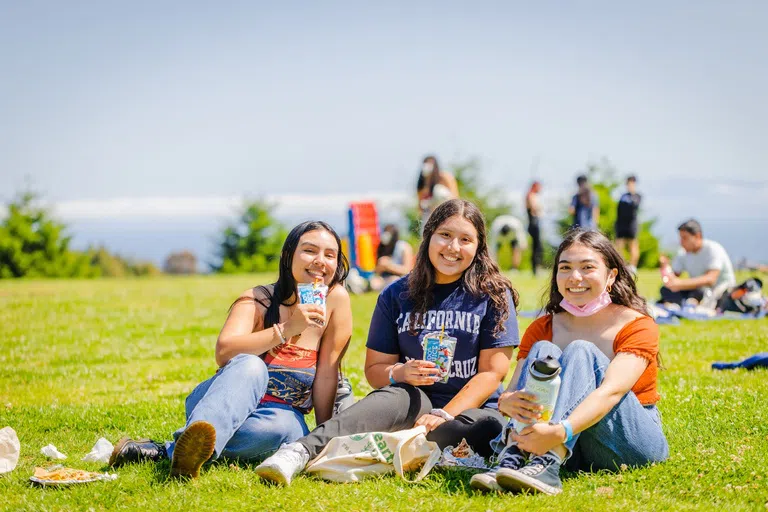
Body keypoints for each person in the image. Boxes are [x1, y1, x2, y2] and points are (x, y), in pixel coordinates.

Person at [255, 199, 521, 485]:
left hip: (472, 408)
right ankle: (298, 451)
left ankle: (381, 447)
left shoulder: (492, 294)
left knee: (475, 429)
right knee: (387, 400)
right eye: (445, 235)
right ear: (428, 237)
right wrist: (399, 373)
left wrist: (444, 414)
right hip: (414, 399)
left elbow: (493, 372)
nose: (453, 247)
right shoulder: (397, 294)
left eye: (465, 239)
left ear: (478, 247)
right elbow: (375, 369)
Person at [108, 221, 353, 478]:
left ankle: (175, 452)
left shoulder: (335, 300)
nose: (320, 261)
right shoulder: (259, 299)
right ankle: (191, 444)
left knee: (286, 428)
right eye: (309, 251)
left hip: (279, 417)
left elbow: (327, 373)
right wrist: (286, 329)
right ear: (288, 256)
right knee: (251, 365)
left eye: (330, 255)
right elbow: (225, 351)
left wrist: (323, 441)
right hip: (220, 402)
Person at [471, 229, 668, 495]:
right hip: (575, 450)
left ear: (611, 276)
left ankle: (548, 461)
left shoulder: (637, 325)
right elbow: (512, 394)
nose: (575, 278)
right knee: (544, 349)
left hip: (628, 442)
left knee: (581, 351)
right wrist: (507, 402)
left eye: (588, 267)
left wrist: (561, 432)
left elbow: (612, 392)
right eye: (565, 268)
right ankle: (516, 457)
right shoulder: (543, 327)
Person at [658, 219, 736, 307]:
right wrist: (665, 267)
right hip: (698, 291)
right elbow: (673, 278)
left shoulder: (713, 249)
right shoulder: (683, 253)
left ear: (697, 236)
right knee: (665, 290)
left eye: (685, 238)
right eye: (680, 238)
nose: (681, 242)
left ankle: (686, 303)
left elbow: (710, 279)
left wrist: (680, 283)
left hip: (721, 291)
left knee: (699, 292)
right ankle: (688, 303)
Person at [368, 224, 415, 291]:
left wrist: (389, 266)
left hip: (398, 278)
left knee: (393, 280)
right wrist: (381, 266)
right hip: (384, 279)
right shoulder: (382, 246)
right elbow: (376, 272)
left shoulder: (404, 247)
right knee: (374, 282)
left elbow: (407, 271)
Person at [416, 155, 459, 226]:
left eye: (430, 163)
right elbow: (420, 206)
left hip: (447, 213)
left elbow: (455, 196)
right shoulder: (422, 183)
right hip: (429, 216)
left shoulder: (445, 177)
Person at [614, 175, 642, 272]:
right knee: (619, 246)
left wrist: (632, 193)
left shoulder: (637, 196)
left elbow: (635, 206)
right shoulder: (622, 196)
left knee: (633, 246)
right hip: (621, 225)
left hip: (631, 225)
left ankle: (633, 267)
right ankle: (621, 265)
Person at [525, 181, 544, 275]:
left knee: (537, 247)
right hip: (534, 224)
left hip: (534, 224)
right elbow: (534, 209)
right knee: (536, 247)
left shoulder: (531, 195)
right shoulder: (531, 195)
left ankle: (536, 268)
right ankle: (535, 268)